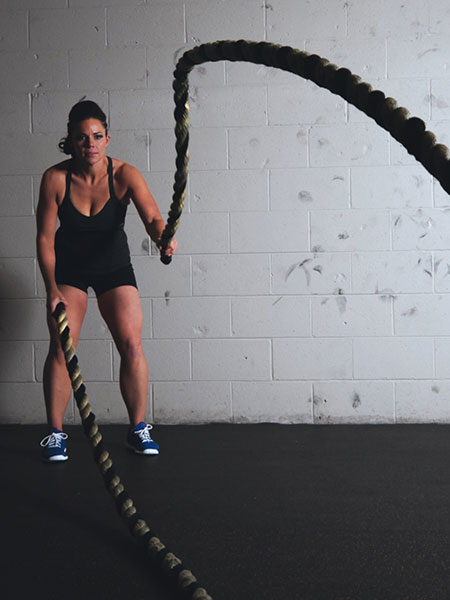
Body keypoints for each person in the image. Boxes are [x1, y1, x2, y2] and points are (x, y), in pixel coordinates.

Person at [36, 100, 177, 462]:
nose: (91, 144)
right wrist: (51, 289)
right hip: (70, 271)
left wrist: (162, 236)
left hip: (113, 268)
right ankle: (55, 433)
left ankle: (138, 428)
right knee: (62, 347)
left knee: (132, 344)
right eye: (82, 137)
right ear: (71, 140)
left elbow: (152, 218)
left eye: (97, 136)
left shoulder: (125, 175)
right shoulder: (55, 178)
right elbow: (45, 239)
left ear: (108, 139)